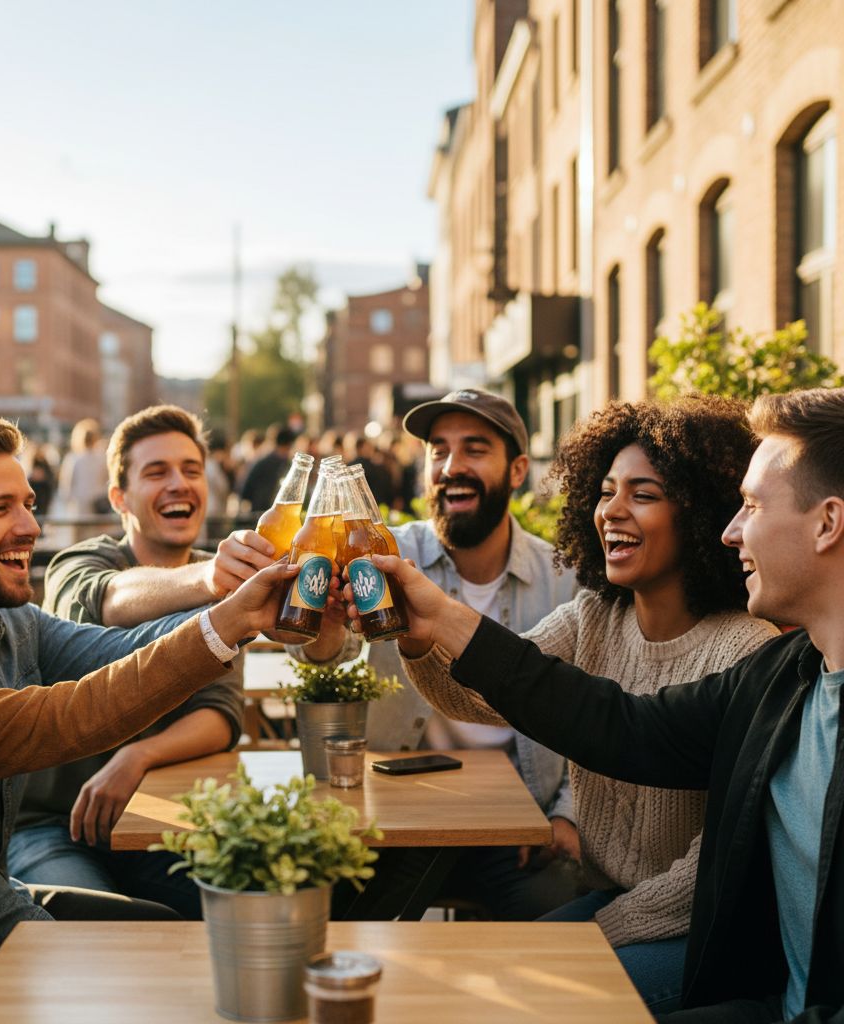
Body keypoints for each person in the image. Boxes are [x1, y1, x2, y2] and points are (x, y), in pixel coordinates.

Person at [364, 386, 844, 1024]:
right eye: (606, 490)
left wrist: (590, 938)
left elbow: (716, 869)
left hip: (685, 929)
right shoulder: (779, 672)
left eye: (752, 506)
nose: (734, 530)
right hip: (617, 905)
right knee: (475, 983)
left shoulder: (748, 652)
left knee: (510, 995)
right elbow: (601, 720)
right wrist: (424, 629)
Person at [0, 454, 293, 1023]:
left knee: (170, 944)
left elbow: (82, 710)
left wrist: (232, 620)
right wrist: (63, 963)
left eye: (29, 505)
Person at [0, 415, 220, 941]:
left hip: (2, 884)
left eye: (29, 505)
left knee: (166, 930)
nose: (31, 527)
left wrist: (240, 613)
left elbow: (127, 654)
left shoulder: (14, 621)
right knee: (134, 951)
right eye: (0, 508)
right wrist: (58, 948)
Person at [299, 387, 580, 920]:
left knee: (555, 925)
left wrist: (566, 816)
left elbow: (589, 712)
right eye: (438, 451)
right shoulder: (381, 553)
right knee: (339, 921)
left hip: (518, 824)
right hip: (397, 816)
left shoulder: (563, 578)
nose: (453, 466)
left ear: (517, 470)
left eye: (475, 449)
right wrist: (326, 630)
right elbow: (328, 658)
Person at [10, 405, 268, 910]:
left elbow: (220, 714)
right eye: (157, 472)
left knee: (251, 903)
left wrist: (138, 756)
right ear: (119, 498)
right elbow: (110, 598)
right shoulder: (79, 562)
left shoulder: (220, 582)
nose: (179, 483)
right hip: (53, 823)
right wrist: (212, 582)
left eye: (191, 470)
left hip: (157, 817)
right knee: (101, 930)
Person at [57, 418, 109, 515]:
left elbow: (66, 486)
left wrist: (67, 503)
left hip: (79, 506)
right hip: (99, 505)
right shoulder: (102, 458)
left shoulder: (73, 459)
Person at [239, 424, 296, 513]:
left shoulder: (261, 462)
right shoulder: (287, 465)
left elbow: (245, 491)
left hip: (260, 512)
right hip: (270, 511)